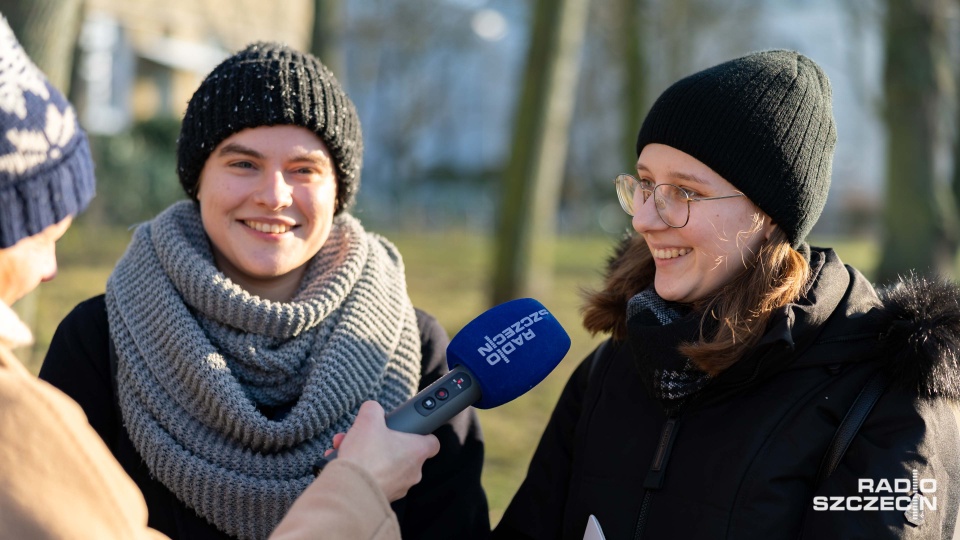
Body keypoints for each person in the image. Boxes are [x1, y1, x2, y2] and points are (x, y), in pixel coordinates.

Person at [0, 17, 441, 540]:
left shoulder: (414, 348)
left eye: (305, 169)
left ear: (338, 190)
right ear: (197, 178)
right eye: (244, 163)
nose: (274, 195)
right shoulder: (98, 337)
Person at [493, 50, 960, 539]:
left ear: (771, 214)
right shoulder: (612, 367)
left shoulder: (885, 400)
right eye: (646, 184)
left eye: (685, 193)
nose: (644, 219)